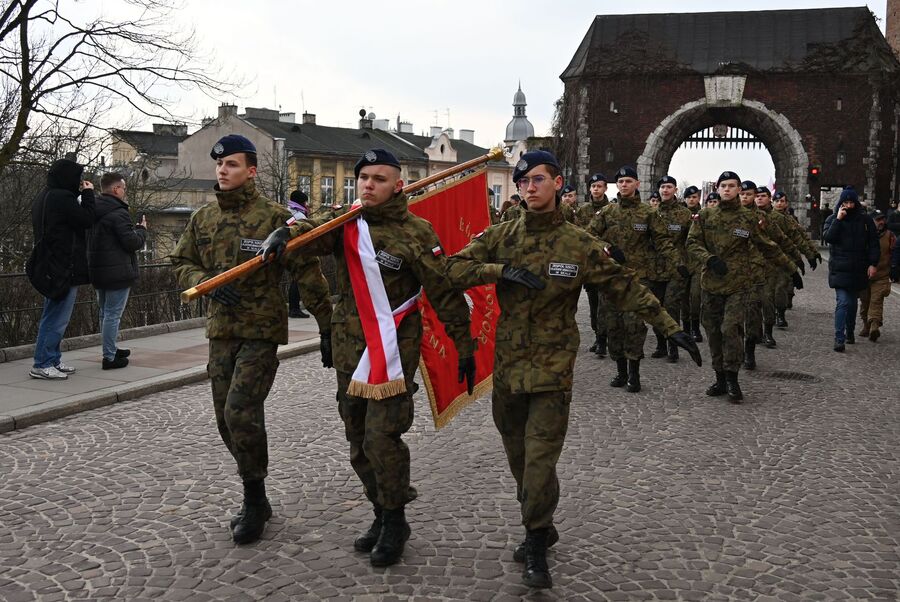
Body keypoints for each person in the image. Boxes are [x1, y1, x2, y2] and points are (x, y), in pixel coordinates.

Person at [444, 150, 701, 589]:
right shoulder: (501, 235)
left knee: (541, 460)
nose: (529, 187)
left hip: (553, 367)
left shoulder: (579, 243)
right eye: (523, 181)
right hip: (507, 368)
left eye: (538, 180)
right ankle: (541, 519)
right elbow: (452, 269)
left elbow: (624, 286)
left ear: (559, 184)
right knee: (520, 459)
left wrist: (669, 327)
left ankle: (535, 541)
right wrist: (500, 270)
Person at [258, 149, 501, 568]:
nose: (368, 185)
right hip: (350, 348)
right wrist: (287, 232)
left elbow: (443, 292)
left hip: (392, 351)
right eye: (364, 177)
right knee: (356, 442)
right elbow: (313, 232)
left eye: (379, 178)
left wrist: (464, 346)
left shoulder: (417, 232)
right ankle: (379, 509)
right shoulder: (346, 222)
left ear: (399, 185)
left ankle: (395, 519)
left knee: (381, 439)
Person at [170, 134, 333, 545]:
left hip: (261, 330)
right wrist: (204, 282)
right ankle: (255, 491)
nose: (223, 171)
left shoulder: (274, 219)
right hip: (221, 331)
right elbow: (182, 263)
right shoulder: (202, 220)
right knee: (226, 418)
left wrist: (327, 326)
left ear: (252, 170)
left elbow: (308, 274)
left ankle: (255, 499)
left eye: (232, 165)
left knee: (241, 410)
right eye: (220, 165)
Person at [687, 171, 800, 402]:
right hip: (711, 284)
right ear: (717, 188)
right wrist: (708, 259)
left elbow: (767, 246)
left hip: (739, 285)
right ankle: (718, 376)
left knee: (731, 329)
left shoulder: (748, 219)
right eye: (723, 186)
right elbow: (692, 243)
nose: (727, 189)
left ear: (739, 189)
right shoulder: (705, 216)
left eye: (732, 186)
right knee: (713, 331)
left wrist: (791, 269)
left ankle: (732, 378)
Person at [589, 166, 684, 392]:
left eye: (629, 181)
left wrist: (678, 263)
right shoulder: (607, 213)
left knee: (634, 325)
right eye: (621, 181)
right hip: (611, 279)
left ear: (637, 184)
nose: (624, 185)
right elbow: (589, 237)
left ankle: (634, 372)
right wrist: (608, 248)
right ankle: (620, 370)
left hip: (639, 279)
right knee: (612, 326)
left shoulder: (648, 213)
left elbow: (662, 241)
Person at [28, 159, 96, 380]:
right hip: (62, 266)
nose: (79, 183)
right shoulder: (62, 197)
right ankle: (43, 362)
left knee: (54, 314)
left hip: (50, 263)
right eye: (77, 178)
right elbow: (87, 219)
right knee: (56, 317)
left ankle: (52, 359)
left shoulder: (44, 195)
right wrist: (87, 195)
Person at [87, 173, 148, 369]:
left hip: (97, 270)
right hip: (117, 272)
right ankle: (110, 357)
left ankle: (110, 348)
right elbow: (132, 242)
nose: (125, 192)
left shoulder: (92, 209)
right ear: (115, 189)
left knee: (105, 313)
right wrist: (142, 230)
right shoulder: (118, 212)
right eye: (124, 188)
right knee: (113, 314)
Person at [822, 187, 880, 351]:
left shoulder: (865, 221)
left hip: (858, 268)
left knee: (853, 303)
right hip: (839, 268)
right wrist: (838, 220)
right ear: (841, 203)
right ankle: (839, 338)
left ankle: (850, 331)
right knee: (843, 302)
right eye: (845, 202)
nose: (848, 205)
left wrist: (873, 263)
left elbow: (874, 244)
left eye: (851, 202)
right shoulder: (833, 218)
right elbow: (829, 238)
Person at [650, 175, 692, 362]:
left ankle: (673, 346)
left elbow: (692, 241)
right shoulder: (651, 212)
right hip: (655, 269)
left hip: (677, 269)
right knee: (655, 308)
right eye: (662, 187)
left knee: (672, 307)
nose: (665, 190)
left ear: (676, 190)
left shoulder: (685, 215)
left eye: (669, 187)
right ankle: (661, 344)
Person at [576, 173, 611, 357]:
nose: (596, 189)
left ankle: (604, 340)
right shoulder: (583, 211)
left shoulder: (612, 209)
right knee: (594, 304)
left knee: (606, 304)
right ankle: (598, 336)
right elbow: (580, 236)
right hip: (589, 265)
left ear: (605, 188)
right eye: (593, 186)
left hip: (606, 264)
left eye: (599, 186)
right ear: (590, 189)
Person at [858, 210, 896, 341]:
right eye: (878, 219)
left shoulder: (890, 236)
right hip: (864, 276)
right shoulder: (864, 235)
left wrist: (894, 268)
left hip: (882, 275)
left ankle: (874, 326)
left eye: (883, 219)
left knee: (876, 301)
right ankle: (866, 325)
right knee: (864, 302)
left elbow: (894, 253)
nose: (881, 222)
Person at [682, 185, 703, 342]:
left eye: (694, 197)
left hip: (698, 262)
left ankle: (695, 327)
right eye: (689, 197)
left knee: (695, 297)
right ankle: (686, 327)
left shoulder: (705, 215)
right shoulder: (678, 215)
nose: (691, 199)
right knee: (683, 298)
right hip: (682, 262)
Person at [286, 190, 312, 319]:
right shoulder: (300, 216)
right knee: (297, 280)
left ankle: (293, 308)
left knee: (294, 280)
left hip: (287, 249)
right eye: (305, 201)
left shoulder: (288, 211)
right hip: (297, 251)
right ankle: (294, 308)